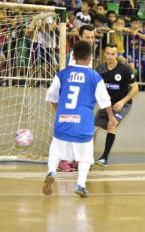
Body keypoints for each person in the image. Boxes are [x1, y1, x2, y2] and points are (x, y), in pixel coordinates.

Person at [42, 40, 117, 197]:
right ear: (90, 57)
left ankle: (51, 172)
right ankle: (80, 184)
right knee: (85, 156)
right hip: (83, 122)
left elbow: (50, 96)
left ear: (73, 56)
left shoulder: (62, 74)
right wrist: (111, 117)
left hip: (63, 118)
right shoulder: (94, 76)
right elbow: (105, 100)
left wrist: (59, 112)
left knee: (55, 148)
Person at [58, 24, 96, 172]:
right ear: (80, 37)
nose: (90, 40)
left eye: (92, 37)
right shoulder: (75, 55)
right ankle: (62, 159)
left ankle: (74, 158)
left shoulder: (88, 54)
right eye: (87, 37)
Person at [95, 43, 139, 167]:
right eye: (108, 54)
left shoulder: (124, 69)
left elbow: (135, 88)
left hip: (123, 104)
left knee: (111, 123)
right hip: (107, 105)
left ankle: (104, 158)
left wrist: (122, 102)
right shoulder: (100, 69)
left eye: (113, 54)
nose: (110, 56)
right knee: (92, 130)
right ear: (104, 54)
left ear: (117, 55)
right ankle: (86, 157)